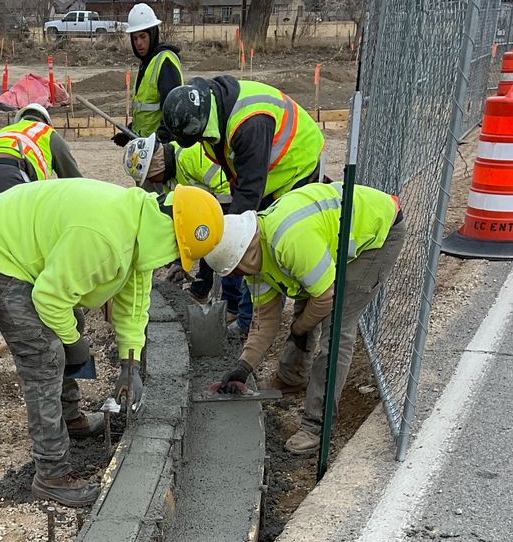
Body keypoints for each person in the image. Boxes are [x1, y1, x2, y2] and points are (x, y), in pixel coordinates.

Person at [0, 180, 224, 507]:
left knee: (70, 326)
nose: (170, 261)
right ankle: (52, 474)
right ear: (171, 237)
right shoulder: (108, 239)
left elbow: (133, 302)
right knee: (44, 356)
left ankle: (69, 419)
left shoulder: (140, 229)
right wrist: (73, 343)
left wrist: (131, 365)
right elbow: (50, 296)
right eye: (177, 254)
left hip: (21, 250)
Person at [204, 182, 405, 455]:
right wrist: (242, 368)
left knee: (336, 327)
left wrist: (300, 328)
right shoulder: (255, 260)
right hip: (332, 235)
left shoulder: (289, 241)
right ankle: (292, 378)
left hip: (376, 233)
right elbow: (265, 321)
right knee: (305, 303)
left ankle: (316, 425)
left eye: (235, 272)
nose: (236, 278)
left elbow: (325, 296)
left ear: (243, 257)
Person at [163, 76, 326, 335]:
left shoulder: (248, 124)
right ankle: (241, 312)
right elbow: (237, 176)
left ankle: (254, 325)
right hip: (265, 172)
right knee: (244, 242)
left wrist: (228, 243)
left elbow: (249, 192)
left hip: (295, 167)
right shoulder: (209, 108)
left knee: (260, 247)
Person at [123, 133, 248, 326]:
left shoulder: (190, 156)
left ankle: (232, 307)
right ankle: (201, 290)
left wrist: (221, 225)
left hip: (232, 202)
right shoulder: (167, 177)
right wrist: (178, 261)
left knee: (227, 255)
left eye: (150, 177)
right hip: (209, 208)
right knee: (205, 244)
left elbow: (225, 187)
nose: (152, 182)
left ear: (156, 165)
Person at [0, 103, 82, 208]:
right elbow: (73, 179)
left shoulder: (7, 130)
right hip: (8, 174)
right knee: (30, 220)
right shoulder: (46, 132)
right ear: (47, 122)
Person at [113, 3, 183, 148]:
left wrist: (161, 140)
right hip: (145, 146)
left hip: (161, 149)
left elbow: (173, 110)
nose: (139, 43)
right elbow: (147, 113)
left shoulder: (165, 62)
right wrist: (129, 133)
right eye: (135, 38)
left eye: (143, 37)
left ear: (153, 33)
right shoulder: (147, 63)